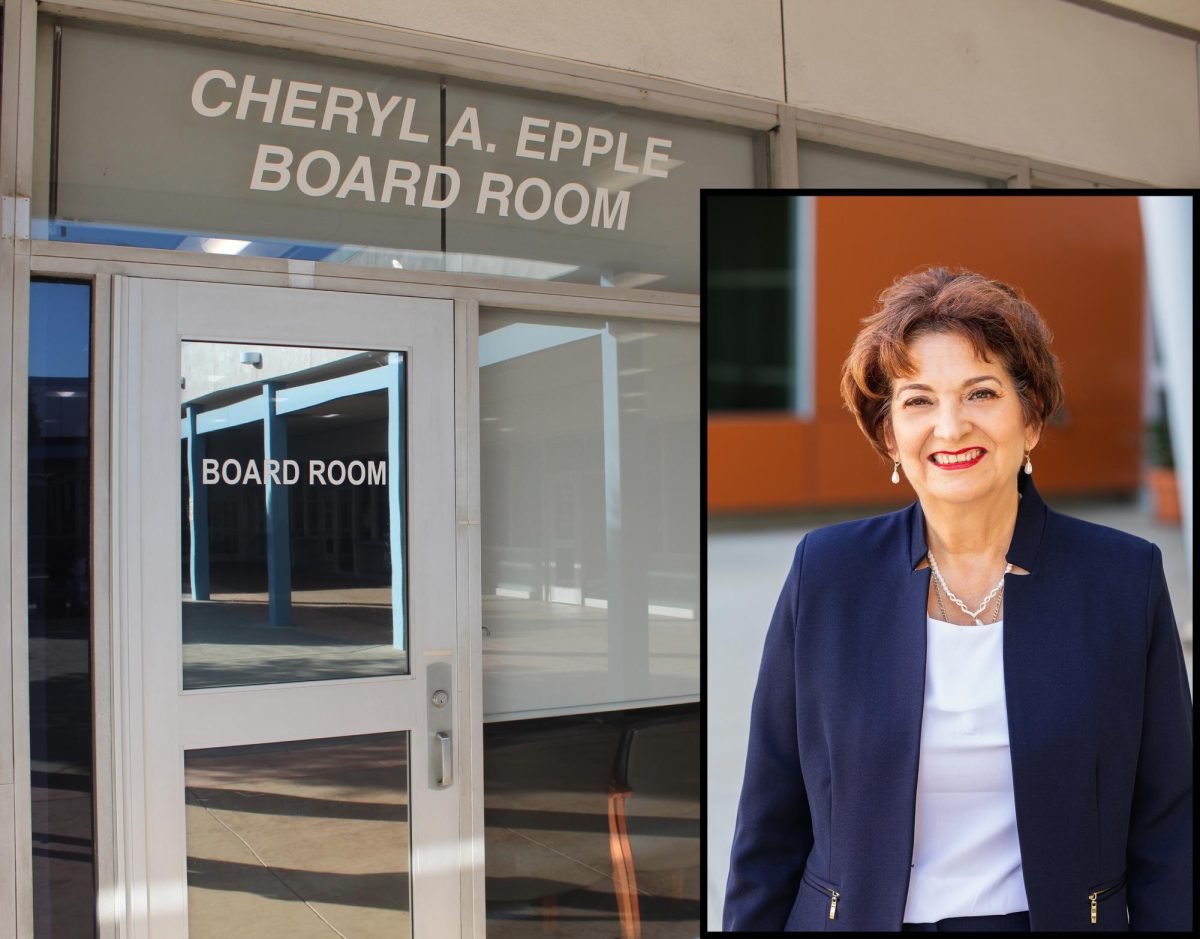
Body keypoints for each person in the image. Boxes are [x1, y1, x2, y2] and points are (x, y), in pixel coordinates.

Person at [722, 267, 1192, 932]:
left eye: (980, 392)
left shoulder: (1122, 578)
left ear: (1030, 419)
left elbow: (1171, 823)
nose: (950, 426)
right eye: (918, 400)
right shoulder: (827, 572)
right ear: (888, 435)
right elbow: (769, 818)